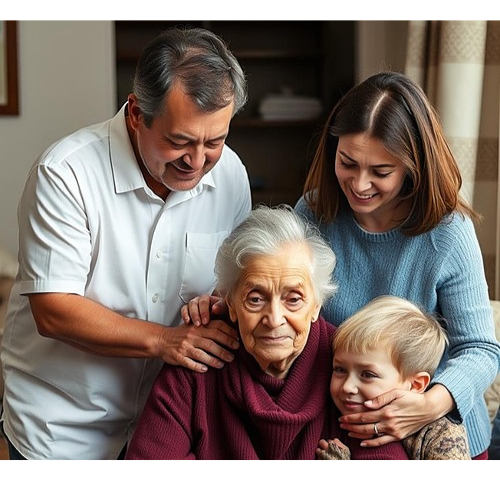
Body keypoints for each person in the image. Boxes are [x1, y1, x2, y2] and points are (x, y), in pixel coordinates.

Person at [184, 71, 500, 459]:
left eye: (381, 172)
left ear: (412, 168)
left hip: (431, 436)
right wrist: (221, 301)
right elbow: (277, 289)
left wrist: (429, 405)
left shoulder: (447, 232)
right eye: (348, 162)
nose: (360, 183)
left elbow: (481, 348)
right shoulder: (314, 212)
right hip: (338, 433)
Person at [0, 26, 252, 460]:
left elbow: (234, 280)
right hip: (61, 427)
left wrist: (216, 303)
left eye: (215, 140)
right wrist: (165, 340)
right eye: (179, 142)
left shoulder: (229, 174)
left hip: (166, 422)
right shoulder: (65, 174)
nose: (197, 162)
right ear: (136, 113)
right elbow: (54, 310)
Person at [126, 205, 409, 459]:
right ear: (231, 304)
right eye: (255, 299)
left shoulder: (352, 368)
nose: (274, 319)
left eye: (293, 299)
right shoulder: (195, 364)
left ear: (316, 305)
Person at [316, 295, 470, 460]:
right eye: (340, 369)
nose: (347, 386)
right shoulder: (330, 416)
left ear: (415, 385)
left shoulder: (441, 434)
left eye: (368, 374)